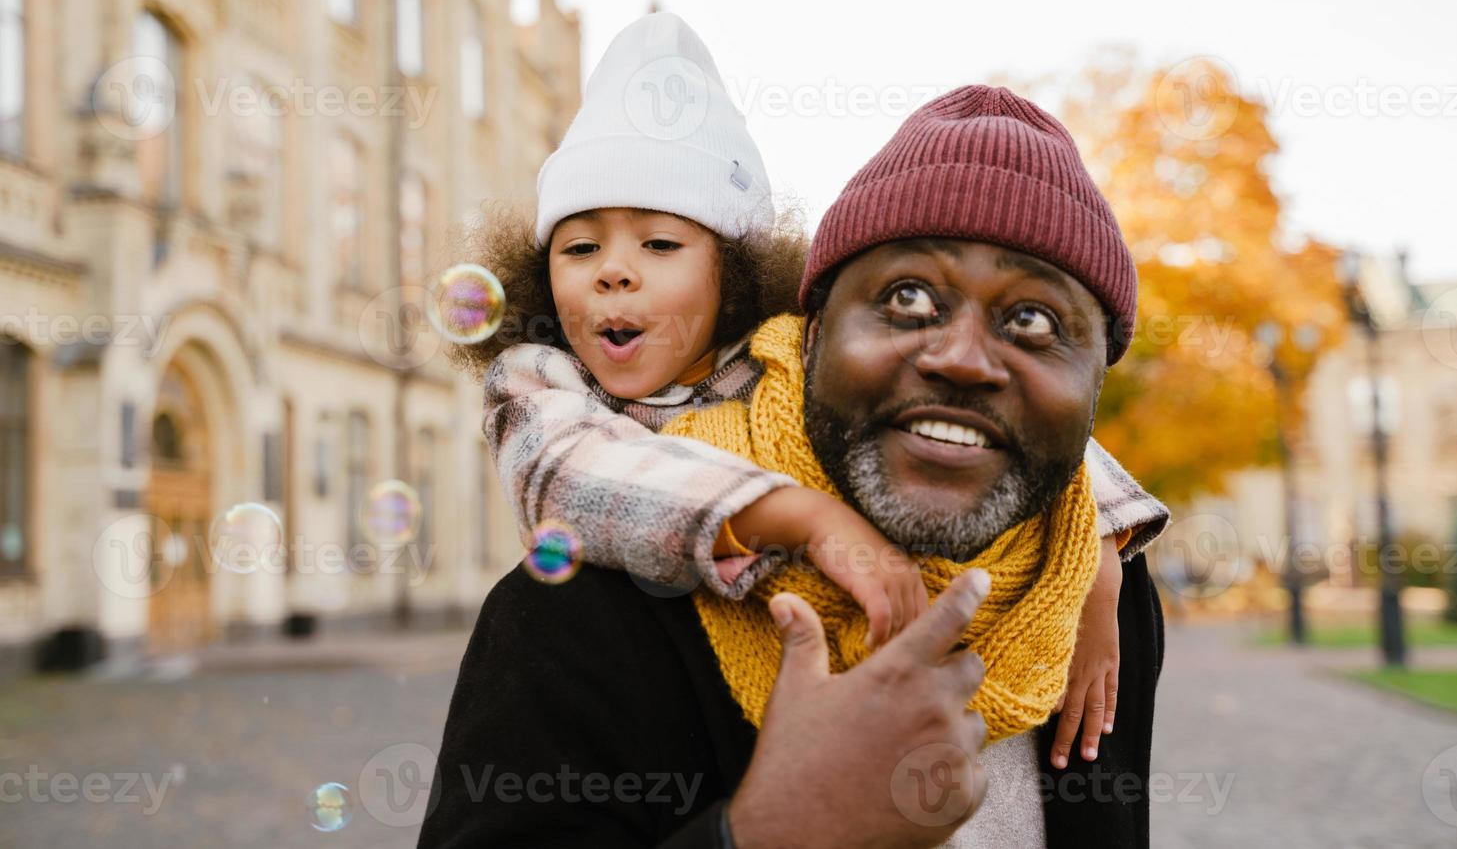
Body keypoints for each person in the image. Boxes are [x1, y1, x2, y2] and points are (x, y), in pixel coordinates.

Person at [421, 84, 1168, 847]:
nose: (964, 360)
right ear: (805, 339)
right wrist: (777, 831)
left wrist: (1102, 544)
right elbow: (560, 464)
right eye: (907, 297)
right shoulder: (585, 610)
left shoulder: (1093, 593)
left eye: (1034, 320)